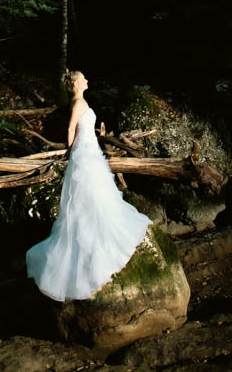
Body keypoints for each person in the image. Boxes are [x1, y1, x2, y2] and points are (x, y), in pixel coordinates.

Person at [26, 70, 150, 301]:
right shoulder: (78, 103)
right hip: (84, 154)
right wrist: (72, 151)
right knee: (90, 193)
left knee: (96, 193)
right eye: (83, 78)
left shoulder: (80, 101)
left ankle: (94, 228)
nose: (87, 81)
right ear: (75, 83)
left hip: (90, 152)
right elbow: (71, 129)